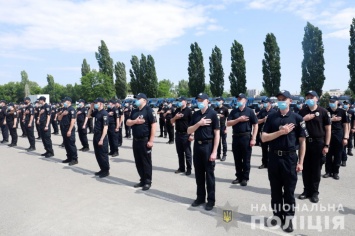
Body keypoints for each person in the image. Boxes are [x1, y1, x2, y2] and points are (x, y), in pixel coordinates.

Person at [261, 90, 306, 233]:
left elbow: (302, 142)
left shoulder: (298, 118)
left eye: (283, 99)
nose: (280, 101)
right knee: (275, 190)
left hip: (289, 158)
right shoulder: (271, 118)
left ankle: (288, 219)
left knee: (289, 191)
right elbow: (263, 138)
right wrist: (281, 132)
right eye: (279, 99)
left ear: (290, 101)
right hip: (274, 158)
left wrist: (301, 162)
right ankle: (277, 216)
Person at [187, 93, 219, 211]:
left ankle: (211, 200)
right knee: (199, 174)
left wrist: (214, 151)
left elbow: (217, 133)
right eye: (198, 100)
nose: (199, 102)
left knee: (209, 175)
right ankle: (200, 197)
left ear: (207, 101)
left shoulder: (213, 114)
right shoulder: (195, 114)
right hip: (197, 146)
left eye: (201, 100)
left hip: (208, 146)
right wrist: (198, 124)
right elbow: (189, 130)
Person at [298, 90, 331, 203]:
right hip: (305, 143)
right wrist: (304, 119)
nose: (309, 99)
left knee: (316, 169)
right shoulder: (302, 112)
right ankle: (306, 190)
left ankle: (314, 192)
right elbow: (297, 125)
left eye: (312, 97)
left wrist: (326, 145)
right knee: (306, 168)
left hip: (318, 143)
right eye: (307, 97)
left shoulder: (323, 112)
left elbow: (328, 130)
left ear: (317, 98)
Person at [126, 93, 157, 191]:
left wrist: (151, 140)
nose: (137, 100)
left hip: (145, 140)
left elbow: (154, 125)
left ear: (144, 100)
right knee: (138, 161)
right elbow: (127, 122)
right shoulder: (134, 111)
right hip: (136, 140)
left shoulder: (149, 110)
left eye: (139, 99)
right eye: (136, 99)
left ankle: (147, 181)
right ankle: (142, 179)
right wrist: (135, 121)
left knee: (146, 162)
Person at [227, 93, 258, 186]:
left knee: (246, 159)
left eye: (241, 99)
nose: (239, 100)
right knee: (237, 158)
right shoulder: (234, 112)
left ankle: (245, 177)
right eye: (238, 99)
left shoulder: (249, 111)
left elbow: (255, 125)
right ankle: (238, 176)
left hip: (246, 137)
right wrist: (238, 119)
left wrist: (254, 138)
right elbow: (228, 123)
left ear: (245, 100)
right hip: (236, 137)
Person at [324, 96, 349, 179]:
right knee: (328, 154)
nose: (331, 103)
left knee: (338, 154)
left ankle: (335, 172)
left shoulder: (342, 111)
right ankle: (328, 171)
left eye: (333, 101)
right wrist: (332, 119)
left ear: (337, 102)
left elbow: (346, 125)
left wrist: (345, 137)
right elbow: (322, 122)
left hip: (339, 134)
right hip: (328, 135)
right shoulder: (326, 111)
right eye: (330, 101)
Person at [87, 97, 110, 178]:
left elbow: (105, 127)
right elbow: (89, 116)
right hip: (96, 135)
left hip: (101, 136)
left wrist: (101, 139)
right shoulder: (97, 112)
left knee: (103, 154)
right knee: (97, 154)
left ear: (101, 103)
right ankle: (102, 169)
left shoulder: (104, 113)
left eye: (96, 103)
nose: (95, 104)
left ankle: (106, 170)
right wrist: (91, 108)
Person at [171, 96, 193, 175]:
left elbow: (192, 123)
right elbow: (171, 121)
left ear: (185, 101)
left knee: (187, 153)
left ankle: (189, 168)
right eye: (178, 101)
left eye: (180, 101)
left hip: (186, 134)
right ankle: (181, 167)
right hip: (178, 134)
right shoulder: (177, 110)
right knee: (179, 152)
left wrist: (191, 134)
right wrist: (175, 117)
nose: (179, 102)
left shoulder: (188, 111)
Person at [58, 97, 78, 165]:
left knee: (71, 144)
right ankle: (69, 157)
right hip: (63, 128)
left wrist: (69, 130)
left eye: (65, 101)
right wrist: (62, 114)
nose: (63, 103)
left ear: (69, 102)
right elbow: (59, 118)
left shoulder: (72, 109)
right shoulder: (64, 109)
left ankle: (74, 159)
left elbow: (73, 121)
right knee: (66, 144)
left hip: (69, 128)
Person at [257, 98, 276, 169]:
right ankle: (264, 163)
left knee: (272, 149)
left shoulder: (274, 112)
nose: (265, 104)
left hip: (271, 133)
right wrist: (263, 119)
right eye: (264, 102)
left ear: (270, 103)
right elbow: (257, 121)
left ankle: (271, 163)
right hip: (263, 132)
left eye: (266, 102)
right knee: (264, 149)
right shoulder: (262, 111)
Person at [214, 97, 229, 161]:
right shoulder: (215, 109)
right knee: (218, 141)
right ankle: (218, 154)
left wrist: (226, 128)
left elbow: (228, 119)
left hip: (223, 127)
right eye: (217, 100)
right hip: (217, 127)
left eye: (218, 100)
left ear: (222, 101)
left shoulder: (225, 109)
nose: (217, 101)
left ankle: (224, 155)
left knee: (223, 142)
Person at [341, 101, 353, 166]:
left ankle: (344, 160)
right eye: (344, 104)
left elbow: (348, 124)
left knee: (343, 148)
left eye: (346, 104)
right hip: (339, 132)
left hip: (345, 132)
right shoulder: (341, 111)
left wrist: (347, 134)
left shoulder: (350, 112)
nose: (345, 105)